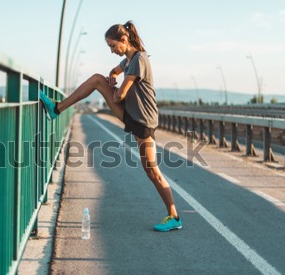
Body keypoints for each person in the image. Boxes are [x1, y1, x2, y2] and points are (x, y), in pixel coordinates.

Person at [39, 21, 181, 232]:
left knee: (153, 172)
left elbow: (121, 93)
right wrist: (112, 77)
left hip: (143, 120)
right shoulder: (128, 60)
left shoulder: (139, 59)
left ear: (124, 40)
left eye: (113, 46)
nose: (112, 51)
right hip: (135, 115)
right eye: (109, 47)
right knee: (98, 79)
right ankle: (56, 108)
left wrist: (112, 91)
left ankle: (174, 217)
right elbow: (114, 71)